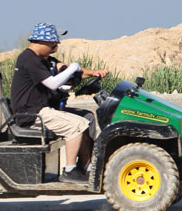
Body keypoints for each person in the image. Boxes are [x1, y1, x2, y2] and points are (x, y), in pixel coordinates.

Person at [10, 22, 109, 183]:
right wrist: (72, 70)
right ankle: (70, 171)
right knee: (77, 125)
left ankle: (87, 166)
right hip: (32, 113)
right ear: (42, 41)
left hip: (43, 109)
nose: (56, 46)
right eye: (53, 43)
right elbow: (52, 83)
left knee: (88, 118)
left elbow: (65, 69)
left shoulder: (44, 59)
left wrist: (93, 73)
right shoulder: (29, 59)